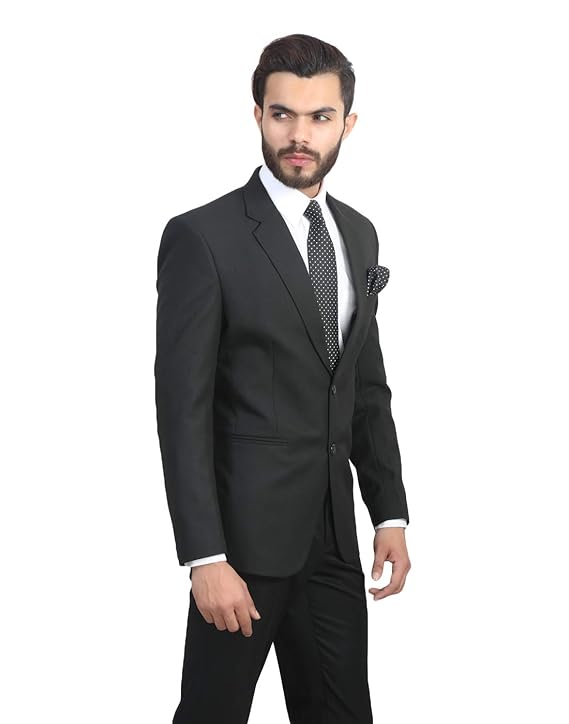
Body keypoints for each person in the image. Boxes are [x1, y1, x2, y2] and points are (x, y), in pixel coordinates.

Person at [154, 32, 411, 724]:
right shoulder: (203, 237)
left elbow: (364, 387)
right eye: (282, 114)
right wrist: (204, 556)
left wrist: (388, 511)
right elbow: (181, 409)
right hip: (241, 548)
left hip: (333, 541)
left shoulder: (358, 234)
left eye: (319, 117)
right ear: (258, 115)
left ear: (346, 123)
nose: (299, 135)